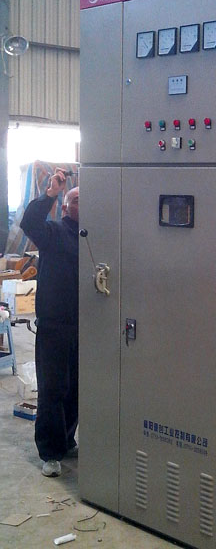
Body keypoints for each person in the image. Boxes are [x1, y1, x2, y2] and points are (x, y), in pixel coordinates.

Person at [20, 168, 79, 476]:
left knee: (76, 388)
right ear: (66, 207)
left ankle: (66, 440)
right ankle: (50, 452)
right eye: (76, 199)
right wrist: (51, 194)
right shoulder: (54, 232)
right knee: (53, 388)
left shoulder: (93, 237)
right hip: (55, 324)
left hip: (85, 325)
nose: (83, 204)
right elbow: (29, 223)